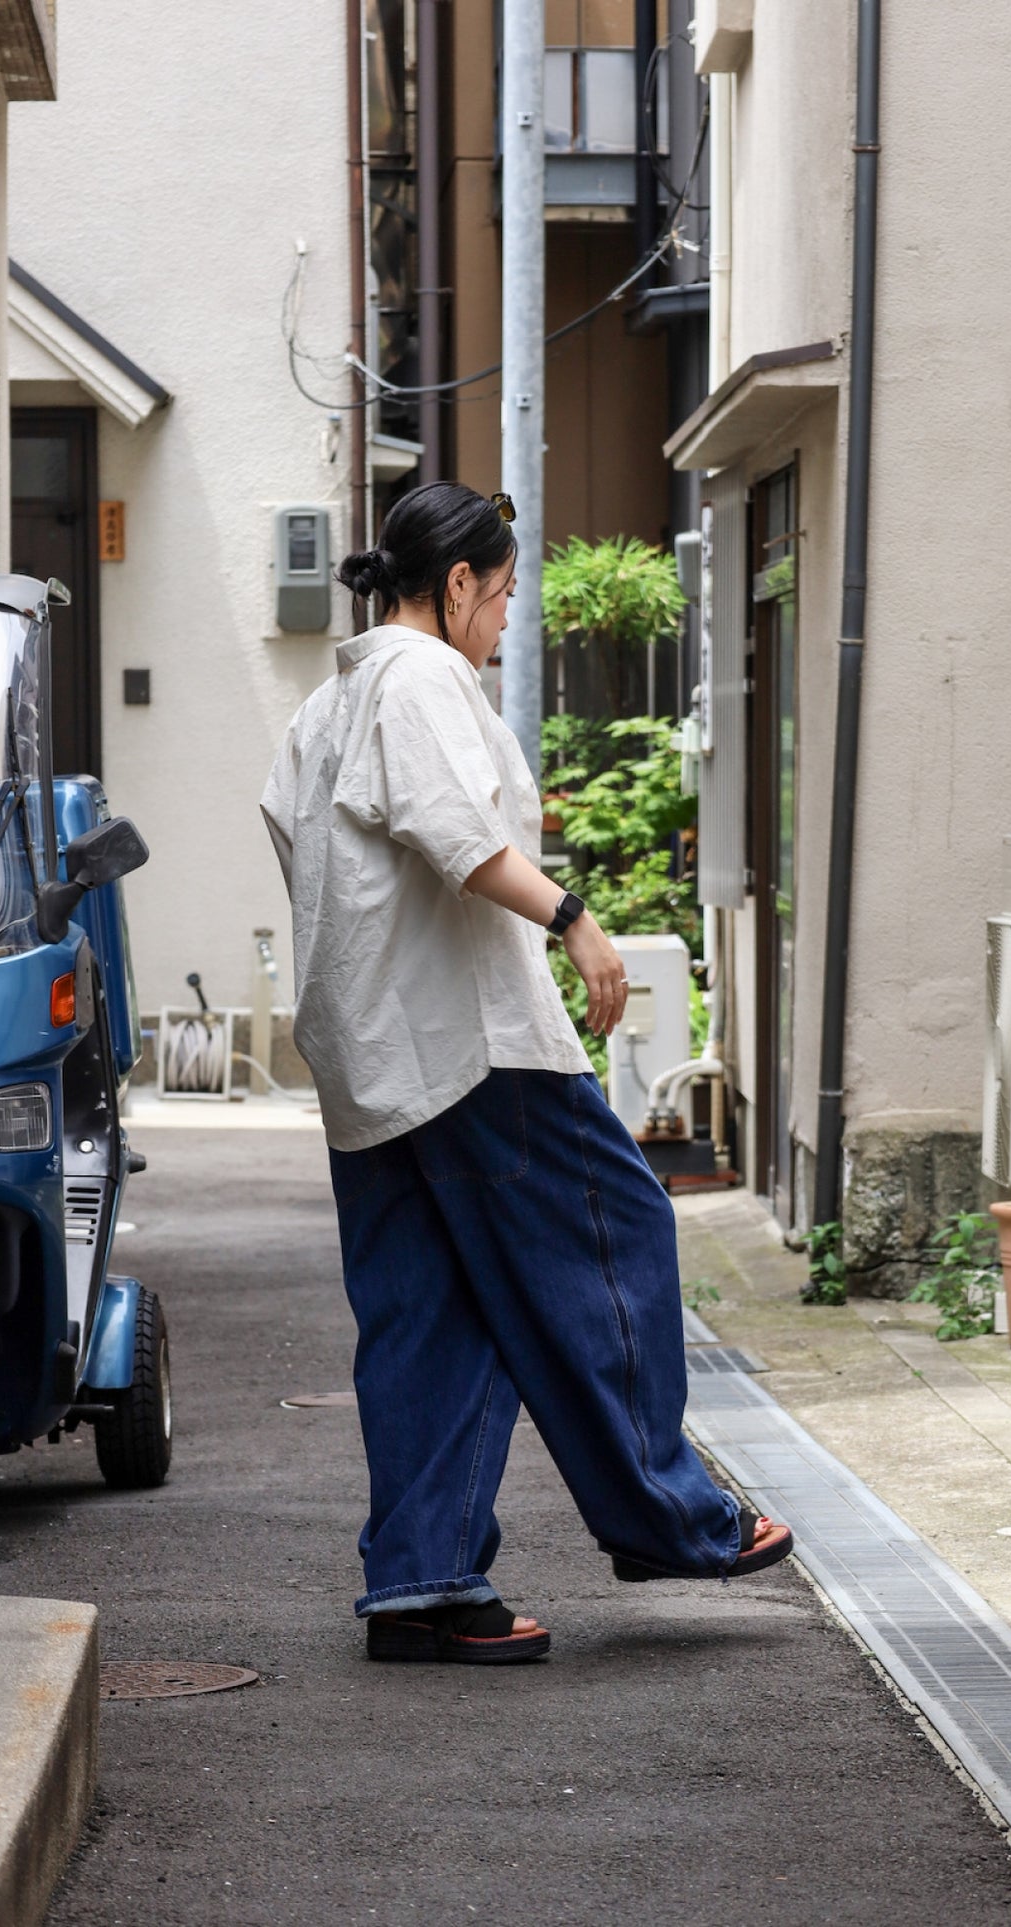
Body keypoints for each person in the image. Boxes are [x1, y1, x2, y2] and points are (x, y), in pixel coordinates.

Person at [261, 481, 792, 1665]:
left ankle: (422, 1581)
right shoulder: (417, 678)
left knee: (429, 1317)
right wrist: (577, 921)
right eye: (498, 598)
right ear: (454, 587)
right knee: (616, 1243)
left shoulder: (325, 705)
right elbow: (459, 837)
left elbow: (308, 849)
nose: (501, 626)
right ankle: (670, 1519)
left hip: (367, 1061)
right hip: (473, 1045)